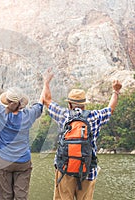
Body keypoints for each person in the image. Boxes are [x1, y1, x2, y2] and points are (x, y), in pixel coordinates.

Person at [41, 69, 122, 200]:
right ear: (84, 104)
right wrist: (116, 91)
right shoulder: (94, 116)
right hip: (88, 170)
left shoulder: (63, 115)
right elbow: (110, 109)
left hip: (65, 169)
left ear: (69, 104)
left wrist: (46, 82)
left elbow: (46, 100)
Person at [0, 66, 44, 200]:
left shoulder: (0, 112)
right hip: (23, 162)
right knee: (21, 197)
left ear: (7, 101)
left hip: (4, 161)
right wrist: (46, 83)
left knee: (5, 196)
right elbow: (41, 102)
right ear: (21, 103)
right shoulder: (29, 115)